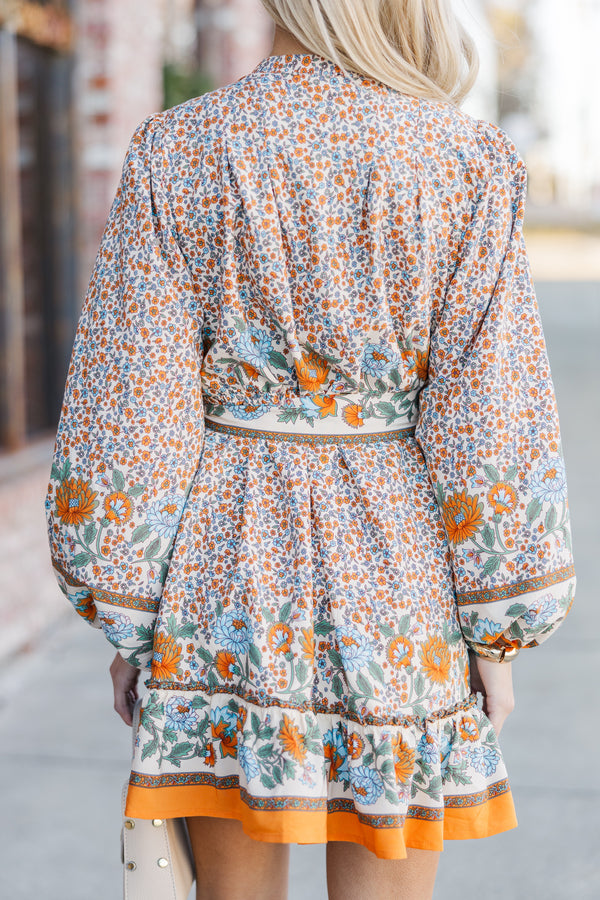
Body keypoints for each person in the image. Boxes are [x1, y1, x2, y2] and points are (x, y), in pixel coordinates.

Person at [45, 1, 576, 898]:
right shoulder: (465, 163)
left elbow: (132, 412)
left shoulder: (180, 151)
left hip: (225, 579)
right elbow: (492, 419)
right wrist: (501, 628)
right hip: (398, 585)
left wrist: (129, 614)